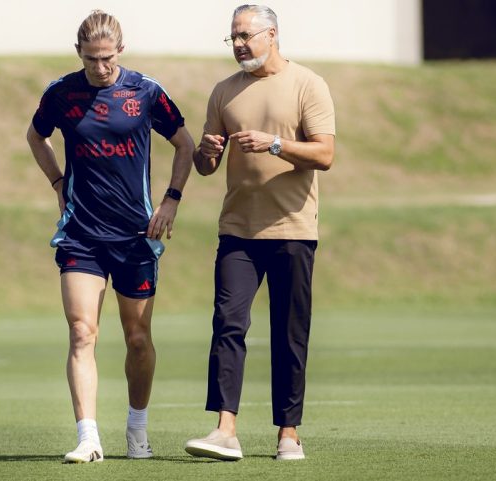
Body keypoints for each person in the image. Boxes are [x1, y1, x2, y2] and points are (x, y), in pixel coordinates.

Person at [26, 10, 194, 463]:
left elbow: (184, 143)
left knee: (137, 337)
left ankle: (137, 430)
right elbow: (35, 136)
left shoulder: (146, 92)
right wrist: (59, 185)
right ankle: (88, 437)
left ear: (120, 50)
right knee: (82, 332)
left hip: (136, 235)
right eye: (90, 59)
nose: (99, 67)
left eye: (106, 58)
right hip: (82, 234)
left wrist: (171, 199)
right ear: (77, 53)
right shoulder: (61, 94)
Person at [183, 4, 335, 462]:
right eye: (233, 37)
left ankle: (289, 434)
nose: (239, 44)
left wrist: (273, 143)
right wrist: (207, 152)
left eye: (246, 35)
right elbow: (206, 167)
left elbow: (325, 154)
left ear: (272, 34)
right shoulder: (224, 91)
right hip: (238, 231)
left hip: (292, 228)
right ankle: (225, 430)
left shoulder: (308, 83)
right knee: (228, 325)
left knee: (289, 334)